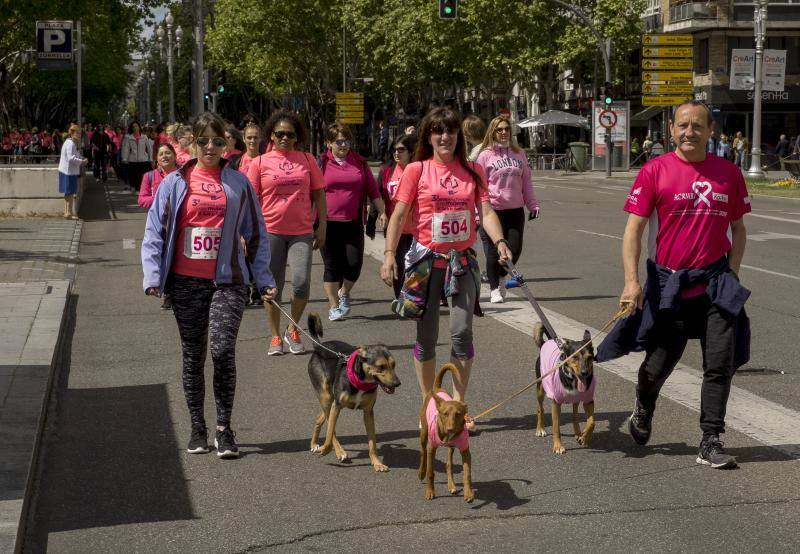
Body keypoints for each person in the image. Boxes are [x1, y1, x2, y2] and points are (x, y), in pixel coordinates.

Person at [597, 101, 751, 469]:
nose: (689, 132)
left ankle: (710, 438)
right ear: (671, 129)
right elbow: (633, 230)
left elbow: (739, 228)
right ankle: (644, 404)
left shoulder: (728, 173)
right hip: (670, 286)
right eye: (683, 125)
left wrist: (731, 271)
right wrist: (632, 282)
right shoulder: (655, 171)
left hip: (715, 283)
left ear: (711, 130)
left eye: (698, 126)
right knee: (658, 365)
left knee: (719, 363)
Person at [142, 111, 277, 459]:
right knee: (193, 355)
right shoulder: (174, 183)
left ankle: (224, 428)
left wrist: (264, 280)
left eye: (218, 141)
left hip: (228, 281)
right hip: (185, 282)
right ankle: (197, 427)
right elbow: (154, 230)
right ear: (192, 143)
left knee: (221, 351)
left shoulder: (239, 183)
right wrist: (153, 276)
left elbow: (256, 234)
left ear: (226, 144)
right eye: (203, 141)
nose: (210, 147)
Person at [380, 107, 513, 417]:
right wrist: (388, 255)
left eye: (450, 131)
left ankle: (456, 404)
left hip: (462, 262)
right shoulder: (416, 170)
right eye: (438, 131)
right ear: (429, 135)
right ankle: (429, 403)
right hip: (426, 261)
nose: (445, 137)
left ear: (458, 136)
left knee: (461, 332)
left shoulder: (472, 170)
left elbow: (487, 212)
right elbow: (399, 216)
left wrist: (500, 241)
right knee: (426, 338)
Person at [247, 110, 327, 356]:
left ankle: (292, 328)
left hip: (301, 232)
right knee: (273, 288)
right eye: (279, 133)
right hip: (270, 231)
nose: (284, 138)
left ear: (296, 137)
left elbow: (319, 194)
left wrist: (322, 225)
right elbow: (249, 199)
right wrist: (246, 231)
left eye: (289, 134)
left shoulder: (307, 159)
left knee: (302, 283)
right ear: (271, 134)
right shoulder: (259, 162)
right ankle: (274, 335)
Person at [319, 122, 386, 321]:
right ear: (329, 143)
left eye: (347, 141)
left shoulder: (359, 163)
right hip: (328, 223)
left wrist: (382, 211)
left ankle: (344, 292)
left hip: (353, 222)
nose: (344, 145)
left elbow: (374, 191)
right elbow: (313, 192)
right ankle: (333, 306)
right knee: (331, 266)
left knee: (354, 265)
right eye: (339, 141)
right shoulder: (321, 163)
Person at [475, 115, 540, 303]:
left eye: (506, 129)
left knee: (515, 249)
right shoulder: (485, 155)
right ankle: (494, 288)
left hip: (515, 209)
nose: (503, 132)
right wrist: (477, 212)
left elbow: (526, 182)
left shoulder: (519, 153)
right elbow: (478, 186)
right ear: (492, 132)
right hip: (492, 210)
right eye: (499, 129)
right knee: (495, 250)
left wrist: (533, 205)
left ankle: (502, 276)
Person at [377, 133, 417, 298]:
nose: (396, 153)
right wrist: (381, 213)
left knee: (415, 264)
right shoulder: (387, 172)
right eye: (394, 150)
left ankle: (414, 295)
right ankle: (400, 297)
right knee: (398, 263)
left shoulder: (417, 170)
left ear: (410, 152)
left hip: (416, 227)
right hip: (396, 227)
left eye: (401, 150)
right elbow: (378, 194)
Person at [58, 123, 88, 219]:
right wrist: (82, 161)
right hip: (69, 172)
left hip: (66, 170)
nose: (79, 135)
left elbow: (72, 156)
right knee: (70, 193)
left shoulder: (69, 142)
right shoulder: (71, 144)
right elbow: (71, 158)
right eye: (77, 133)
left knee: (68, 193)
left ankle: (67, 212)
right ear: (72, 133)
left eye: (80, 133)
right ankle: (68, 213)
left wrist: (80, 158)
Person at [122, 121, 153, 193]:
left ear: (139, 127)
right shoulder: (128, 137)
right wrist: (125, 158)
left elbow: (149, 148)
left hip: (143, 160)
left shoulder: (144, 137)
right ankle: (134, 187)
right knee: (133, 175)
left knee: (143, 176)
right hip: (132, 160)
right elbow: (126, 149)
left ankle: (139, 189)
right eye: (133, 127)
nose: (135, 128)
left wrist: (150, 158)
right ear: (131, 128)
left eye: (136, 126)